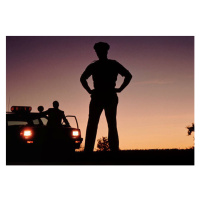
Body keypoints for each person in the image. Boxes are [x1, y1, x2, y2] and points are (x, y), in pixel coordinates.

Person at [80, 42, 132, 152]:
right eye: (98, 51)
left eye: (100, 51)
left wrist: (120, 89)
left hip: (103, 96)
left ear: (105, 51)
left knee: (99, 123)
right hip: (105, 96)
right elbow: (82, 79)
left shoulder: (96, 65)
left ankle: (91, 150)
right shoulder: (108, 64)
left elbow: (82, 79)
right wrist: (120, 89)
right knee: (107, 123)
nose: (99, 53)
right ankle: (104, 150)